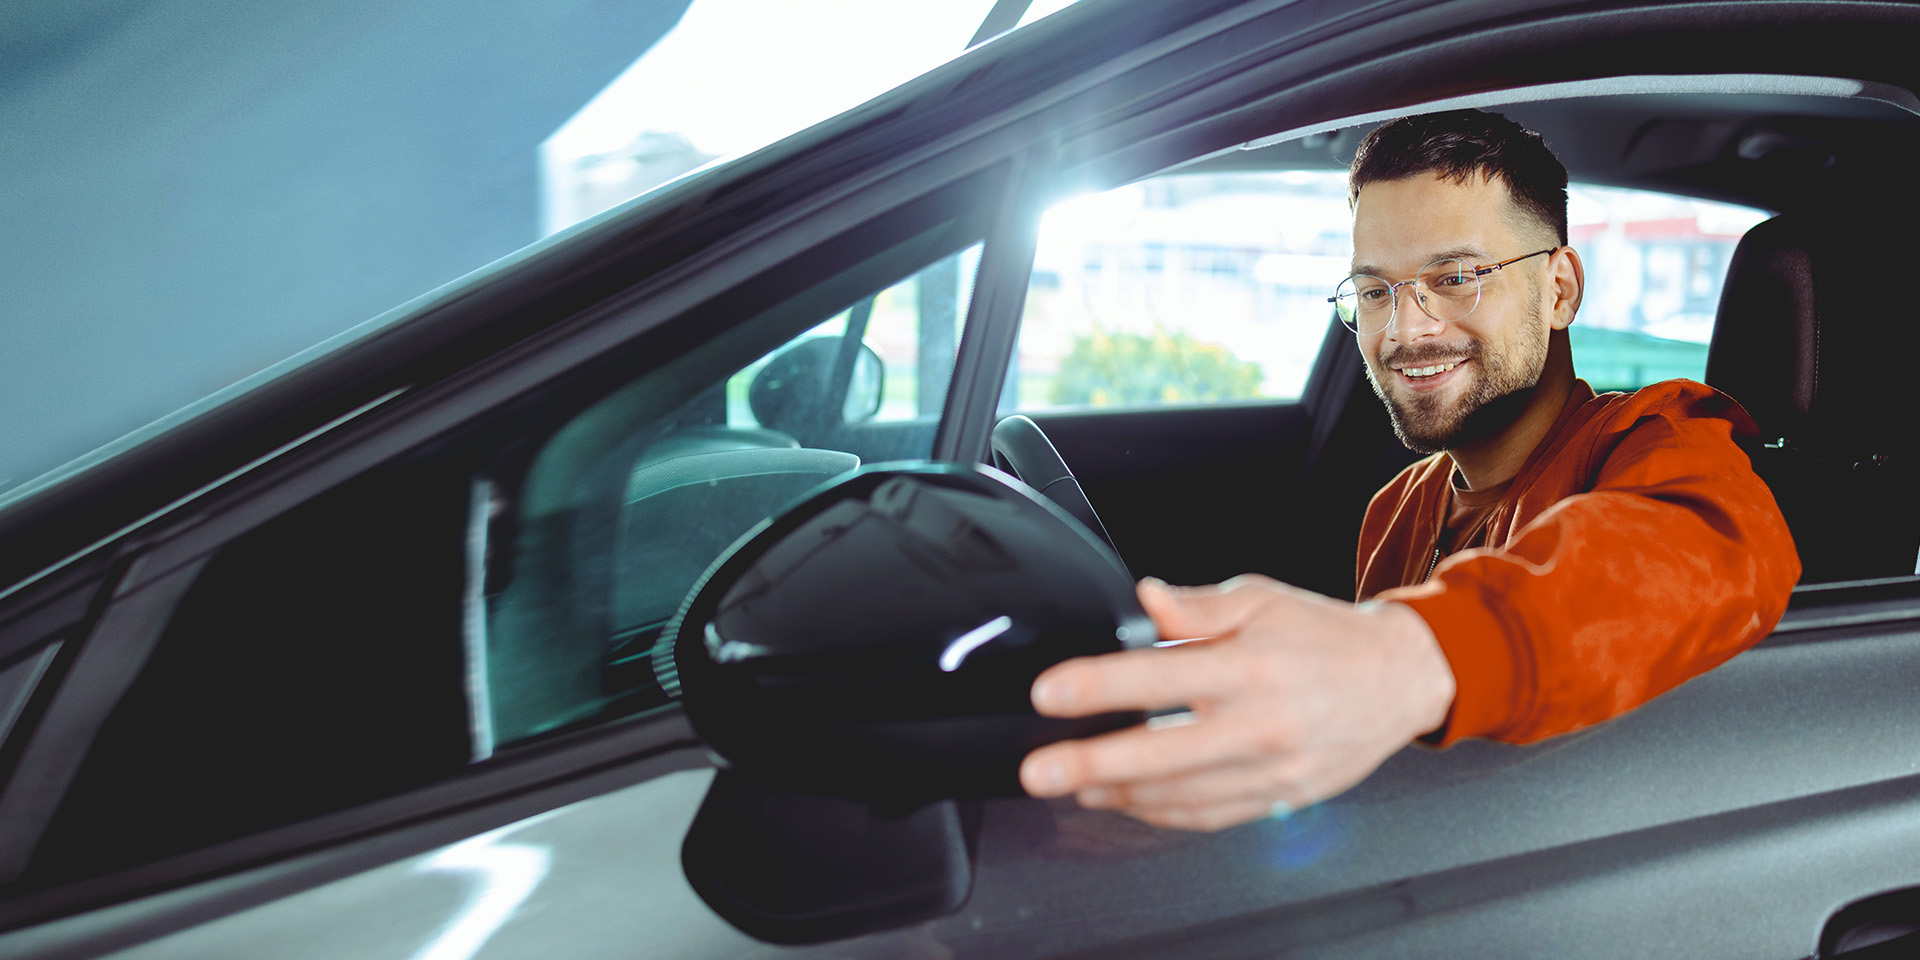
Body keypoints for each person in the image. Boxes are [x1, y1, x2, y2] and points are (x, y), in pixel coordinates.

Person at [1016, 110, 1801, 831]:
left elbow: (1710, 544)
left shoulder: (1652, 435)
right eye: (1374, 290)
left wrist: (1403, 653)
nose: (1405, 329)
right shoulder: (1398, 506)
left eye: (1455, 278)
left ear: (1558, 289)